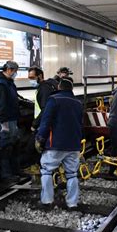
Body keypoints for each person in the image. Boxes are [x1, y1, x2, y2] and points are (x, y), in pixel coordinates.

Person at [35, 78, 83, 208]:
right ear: (71, 89)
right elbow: (80, 124)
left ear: (58, 88)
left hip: (55, 143)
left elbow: (46, 122)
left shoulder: (54, 100)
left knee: (46, 171)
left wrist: (40, 138)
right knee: (72, 174)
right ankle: (72, 203)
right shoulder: (78, 103)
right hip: (73, 145)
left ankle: (47, 201)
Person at [0, 61, 21, 182]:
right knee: (6, 148)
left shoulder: (8, 83)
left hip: (12, 119)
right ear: (9, 70)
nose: (16, 74)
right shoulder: (1, 85)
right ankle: (6, 175)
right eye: (15, 71)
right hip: (5, 121)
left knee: (12, 146)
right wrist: (3, 124)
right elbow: (0, 106)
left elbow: (15, 97)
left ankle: (14, 171)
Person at [28, 66, 58, 132]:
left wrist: (35, 124)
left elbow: (45, 109)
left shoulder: (44, 89)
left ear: (40, 76)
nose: (30, 80)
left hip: (43, 123)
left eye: (32, 78)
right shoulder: (42, 87)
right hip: (42, 122)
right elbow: (38, 105)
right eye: (29, 78)